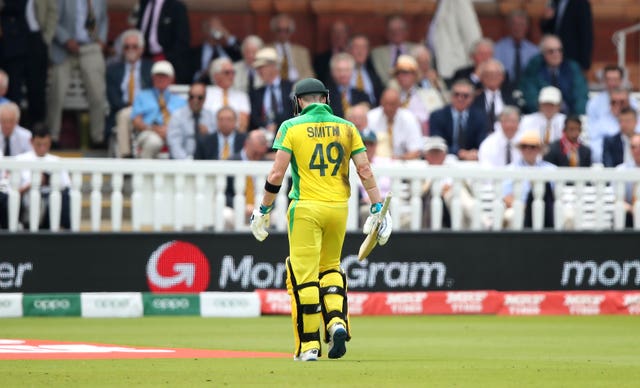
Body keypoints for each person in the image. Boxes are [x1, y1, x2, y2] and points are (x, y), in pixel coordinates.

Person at [249, 78, 392, 361]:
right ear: (325, 99)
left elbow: (276, 174)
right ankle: (337, 322)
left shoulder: (290, 127)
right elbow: (364, 168)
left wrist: (263, 209)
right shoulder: (348, 127)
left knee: (303, 276)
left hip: (305, 208)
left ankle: (309, 345)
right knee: (330, 268)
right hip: (339, 208)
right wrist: (378, 206)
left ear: (299, 101)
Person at [47, 0, 108, 148]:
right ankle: (53, 136)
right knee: (57, 91)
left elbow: (104, 19)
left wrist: (101, 40)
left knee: (98, 93)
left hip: (90, 47)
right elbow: (53, 20)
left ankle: (97, 137)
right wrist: (66, 39)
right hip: (64, 49)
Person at [0, 0, 57, 127]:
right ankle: (12, 129)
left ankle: (37, 131)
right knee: (14, 90)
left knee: (37, 91)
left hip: (37, 40)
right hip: (12, 41)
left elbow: (53, 12)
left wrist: (46, 40)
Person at [106, 29, 153, 157]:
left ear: (141, 49)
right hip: (122, 109)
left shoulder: (151, 68)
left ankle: (126, 157)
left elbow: (153, 94)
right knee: (123, 115)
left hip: (145, 112)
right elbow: (113, 99)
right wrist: (132, 110)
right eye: (127, 47)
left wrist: (139, 110)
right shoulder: (112, 70)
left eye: (134, 46)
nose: (131, 50)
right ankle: (125, 157)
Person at [15, 125, 71, 230]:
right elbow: (13, 190)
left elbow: (67, 186)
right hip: (27, 203)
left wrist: (48, 180)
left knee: (64, 196)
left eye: (45, 144)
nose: (42, 148)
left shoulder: (57, 162)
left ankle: (63, 231)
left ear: (50, 142)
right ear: (31, 141)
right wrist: (33, 183)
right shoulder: (20, 160)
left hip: (51, 203)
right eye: (38, 144)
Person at [519, 35, 588, 115]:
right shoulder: (534, 69)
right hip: (542, 117)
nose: (556, 54)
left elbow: (580, 96)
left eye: (559, 50)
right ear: (543, 54)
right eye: (551, 51)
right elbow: (531, 97)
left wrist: (574, 118)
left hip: (569, 117)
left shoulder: (572, 68)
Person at [130, 60, 187, 159]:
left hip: (173, 133)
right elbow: (136, 121)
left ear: (171, 79)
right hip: (148, 132)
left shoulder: (180, 101)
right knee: (153, 141)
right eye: (158, 76)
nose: (160, 79)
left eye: (164, 76)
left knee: (185, 141)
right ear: (153, 77)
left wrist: (170, 131)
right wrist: (154, 129)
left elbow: (185, 122)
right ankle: (144, 173)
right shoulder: (142, 96)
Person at [503, 130, 556, 228]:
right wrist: (524, 208)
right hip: (520, 207)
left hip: (546, 208)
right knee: (511, 215)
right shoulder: (510, 169)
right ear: (521, 149)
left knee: (566, 215)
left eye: (532, 147)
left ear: (539, 149)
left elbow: (555, 194)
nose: (528, 149)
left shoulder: (551, 169)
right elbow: (506, 197)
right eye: (524, 146)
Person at [421, 136, 474, 229]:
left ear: (445, 154)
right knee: (457, 198)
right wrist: (440, 189)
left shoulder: (453, 167)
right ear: (426, 155)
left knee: (459, 198)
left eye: (438, 152)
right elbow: (421, 191)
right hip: (430, 205)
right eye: (432, 152)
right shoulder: (420, 171)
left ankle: (482, 227)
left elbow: (466, 185)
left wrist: (450, 188)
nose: (435, 155)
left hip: (453, 199)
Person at [429, 79, 488, 160]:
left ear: (472, 98)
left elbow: (483, 143)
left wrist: (475, 153)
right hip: (446, 159)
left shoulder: (480, 117)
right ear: (451, 96)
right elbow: (437, 143)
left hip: (473, 161)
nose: (460, 98)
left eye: (465, 96)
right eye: (456, 94)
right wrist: (458, 153)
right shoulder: (437, 116)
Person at [137, 0, 191, 83]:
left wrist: (168, 59)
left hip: (165, 59)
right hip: (143, 59)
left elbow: (182, 40)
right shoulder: (144, 3)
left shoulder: (176, 7)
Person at [427, 0, 482, 80]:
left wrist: (474, 67)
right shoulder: (441, 3)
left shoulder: (459, 2)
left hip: (455, 67)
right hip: (439, 65)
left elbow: (472, 36)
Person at [366, 88, 423, 160]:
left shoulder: (409, 118)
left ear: (399, 104)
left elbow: (416, 150)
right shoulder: (370, 117)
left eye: (392, 104)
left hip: (403, 164)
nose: (388, 108)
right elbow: (362, 147)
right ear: (381, 102)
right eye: (385, 104)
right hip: (375, 163)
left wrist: (397, 159)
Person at [248, 47, 294, 135]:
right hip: (263, 136)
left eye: (261, 67)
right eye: (257, 68)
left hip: (288, 133)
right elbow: (254, 118)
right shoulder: (255, 93)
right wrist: (266, 126)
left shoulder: (290, 87)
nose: (258, 71)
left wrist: (277, 125)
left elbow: (293, 113)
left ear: (273, 66)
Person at [166, 82, 216, 160]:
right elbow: (174, 144)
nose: (195, 100)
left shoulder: (211, 116)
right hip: (181, 163)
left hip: (205, 162)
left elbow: (217, 141)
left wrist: (208, 134)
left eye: (199, 97)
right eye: (192, 97)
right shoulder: (177, 116)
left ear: (205, 99)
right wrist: (187, 162)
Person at [540, 0, 593, 71]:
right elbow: (547, 30)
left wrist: (584, 63)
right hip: (553, 54)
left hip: (572, 56)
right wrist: (546, 19)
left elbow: (586, 35)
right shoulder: (554, 2)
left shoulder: (581, 3)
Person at [203, 57, 250, 133]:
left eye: (233, 72)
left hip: (235, 138)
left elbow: (243, 124)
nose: (231, 76)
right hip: (211, 138)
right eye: (227, 72)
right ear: (216, 75)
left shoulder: (242, 96)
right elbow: (202, 123)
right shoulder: (205, 94)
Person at [471, 59, 520, 132]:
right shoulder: (473, 100)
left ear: (502, 77)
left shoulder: (512, 98)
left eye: (496, 73)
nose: (492, 77)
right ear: (481, 78)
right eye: (488, 74)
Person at [494, 9, 539, 88]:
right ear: (508, 26)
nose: (518, 28)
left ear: (527, 27)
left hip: (527, 89)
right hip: (504, 88)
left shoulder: (534, 51)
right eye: (515, 24)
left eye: (522, 24)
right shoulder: (498, 48)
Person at [190, 16, 242, 83]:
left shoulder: (230, 51)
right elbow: (187, 76)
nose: (216, 29)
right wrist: (203, 74)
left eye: (219, 27)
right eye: (213, 27)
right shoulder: (194, 53)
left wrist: (227, 36)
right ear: (205, 29)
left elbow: (242, 53)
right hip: (205, 87)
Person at [370, 15, 418, 85]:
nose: (396, 32)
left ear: (406, 31)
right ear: (387, 33)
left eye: (400, 29)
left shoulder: (417, 49)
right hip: (387, 90)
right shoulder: (377, 53)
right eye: (392, 30)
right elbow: (380, 77)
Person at [269, 13, 314, 82]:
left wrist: (299, 86)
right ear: (274, 30)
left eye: (286, 30)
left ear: (291, 31)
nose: (283, 34)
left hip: (296, 85)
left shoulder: (302, 52)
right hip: (275, 85)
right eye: (279, 30)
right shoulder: (267, 50)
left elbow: (309, 73)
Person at [518, 86, 566, 151]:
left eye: (552, 104)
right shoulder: (527, 121)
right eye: (545, 104)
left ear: (559, 106)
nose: (548, 107)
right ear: (539, 105)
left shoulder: (566, 122)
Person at [326, 53, 369, 118]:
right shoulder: (325, 96)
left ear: (352, 71)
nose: (343, 74)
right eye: (339, 70)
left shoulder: (362, 95)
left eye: (347, 70)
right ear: (332, 72)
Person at [347, 34, 384, 106]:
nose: (360, 51)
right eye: (356, 47)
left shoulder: (374, 72)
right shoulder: (341, 72)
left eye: (364, 47)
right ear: (349, 50)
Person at [313, 20, 350, 85]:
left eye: (342, 32)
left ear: (347, 34)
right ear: (330, 35)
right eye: (335, 32)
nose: (338, 35)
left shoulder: (355, 56)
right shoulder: (320, 59)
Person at [615, 133, 640, 227]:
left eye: (639, 146)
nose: (637, 150)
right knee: (621, 212)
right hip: (629, 212)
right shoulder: (621, 170)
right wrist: (633, 209)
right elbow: (618, 199)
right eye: (633, 147)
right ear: (630, 150)